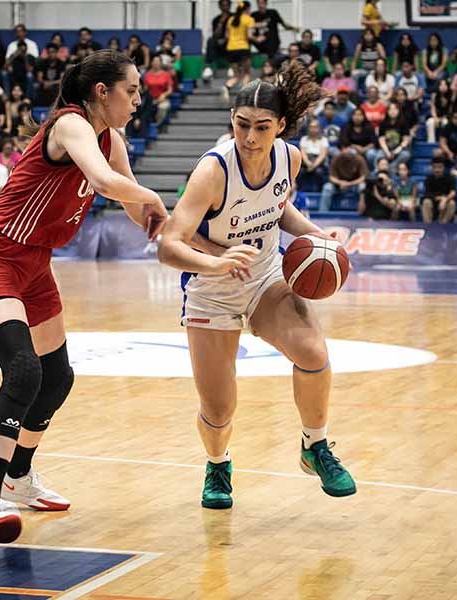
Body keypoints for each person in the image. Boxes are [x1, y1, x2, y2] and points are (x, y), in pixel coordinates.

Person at [0, 49, 169, 552]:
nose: (139, 99)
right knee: (24, 371)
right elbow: (104, 182)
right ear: (102, 92)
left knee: (58, 377)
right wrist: (155, 199)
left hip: (35, 264)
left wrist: (187, 235)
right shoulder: (71, 124)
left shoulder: (111, 138)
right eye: (132, 90)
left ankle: (19, 478)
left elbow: (131, 200)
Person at [157, 62, 357, 511]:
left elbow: (277, 206)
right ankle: (218, 464)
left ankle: (315, 446)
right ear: (232, 121)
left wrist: (313, 232)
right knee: (219, 409)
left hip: (265, 277)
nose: (250, 137)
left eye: (262, 127)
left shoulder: (290, 158)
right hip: (211, 288)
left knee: (313, 350)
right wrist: (216, 261)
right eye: (242, 125)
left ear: (281, 126)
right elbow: (170, 244)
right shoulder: (212, 172)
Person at [223, 1, 258, 101]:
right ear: (247, 9)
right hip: (243, 48)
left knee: (236, 75)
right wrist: (258, 39)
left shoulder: (231, 19)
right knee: (247, 73)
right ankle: (244, 95)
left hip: (231, 49)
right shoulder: (249, 19)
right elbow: (250, 36)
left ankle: (227, 86)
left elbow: (227, 36)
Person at [320, 147, 369, 211]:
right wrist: (340, 182)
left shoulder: (359, 159)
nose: (347, 150)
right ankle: (323, 213)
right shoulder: (336, 158)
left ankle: (364, 208)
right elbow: (331, 177)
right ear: (341, 150)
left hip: (354, 185)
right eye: (345, 148)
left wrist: (349, 184)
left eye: (348, 148)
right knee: (327, 187)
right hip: (339, 185)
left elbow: (363, 177)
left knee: (362, 186)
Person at [377, 101, 411, 175]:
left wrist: (395, 152)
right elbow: (381, 140)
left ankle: (392, 168)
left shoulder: (404, 123)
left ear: (399, 111)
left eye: (395, 109)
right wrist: (387, 152)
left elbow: (406, 141)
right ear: (387, 111)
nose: (392, 111)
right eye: (390, 109)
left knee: (406, 155)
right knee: (378, 156)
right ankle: (377, 174)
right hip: (386, 149)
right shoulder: (383, 123)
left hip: (400, 150)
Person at [203, 0, 232, 83]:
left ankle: (233, 67)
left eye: (226, 5)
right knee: (210, 41)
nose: (225, 8)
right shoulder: (216, 19)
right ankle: (208, 68)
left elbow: (235, 33)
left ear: (230, 6)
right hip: (220, 45)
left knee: (232, 42)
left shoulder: (234, 17)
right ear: (220, 7)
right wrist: (221, 23)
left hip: (231, 43)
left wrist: (225, 39)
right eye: (223, 6)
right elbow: (215, 35)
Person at [422, 157, 457, 224]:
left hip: (445, 203)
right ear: (432, 168)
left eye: (439, 167)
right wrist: (440, 198)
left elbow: (453, 192)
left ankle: (443, 224)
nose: (437, 170)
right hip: (433, 202)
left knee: (452, 204)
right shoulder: (429, 179)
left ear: (443, 168)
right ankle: (428, 225)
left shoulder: (450, 178)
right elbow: (427, 194)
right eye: (435, 167)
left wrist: (445, 200)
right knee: (426, 202)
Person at [143, 56, 174, 126]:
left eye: (157, 61)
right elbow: (145, 89)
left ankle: (157, 125)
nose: (155, 63)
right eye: (154, 61)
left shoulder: (166, 75)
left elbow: (170, 89)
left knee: (162, 108)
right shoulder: (147, 75)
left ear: (160, 63)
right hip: (150, 99)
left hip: (162, 99)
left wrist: (164, 95)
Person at [298, 119, 329, 189]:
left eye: (315, 127)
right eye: (311, 127)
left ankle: (320, 190)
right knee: (300, 171)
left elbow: (322, 155)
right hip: (306, 162)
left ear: (319, 128)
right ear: (308, 128)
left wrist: (314, 165)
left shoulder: (324, 140)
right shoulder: (304, 139)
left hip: (319, 162)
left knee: (319, 172)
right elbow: (303, 154)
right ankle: (298, 189)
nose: (313, 129)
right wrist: (308, 163)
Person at [427, 78, 453, 144]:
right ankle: (431, 142)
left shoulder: (451, 96)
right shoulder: (434, 95)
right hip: (436, 116)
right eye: (441, 85)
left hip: (446, 117)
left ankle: (444, 142)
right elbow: (433, 108)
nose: (443, 87)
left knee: (445, 123)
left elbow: (451, 110)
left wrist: (443, 118)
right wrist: (435, 118)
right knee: (430, 122)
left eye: (445, 85)